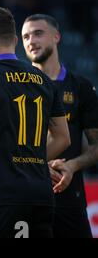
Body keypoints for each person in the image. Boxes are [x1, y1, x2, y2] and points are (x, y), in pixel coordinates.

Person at [0, 6, 71, 238]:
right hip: (41, 194)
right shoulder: (43, 79)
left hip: (1, 193)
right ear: (14, 40)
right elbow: (63, 137)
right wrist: (30, 159)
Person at [22, 14, 98, 238]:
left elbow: (96, 146)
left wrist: (72, 166)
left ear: (56, 36)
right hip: (26, 198)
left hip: (70, 200)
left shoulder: (81, 87)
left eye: (38, 33)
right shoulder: (17, 86)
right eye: (25, 36)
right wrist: (37, 165)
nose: (31, 41)